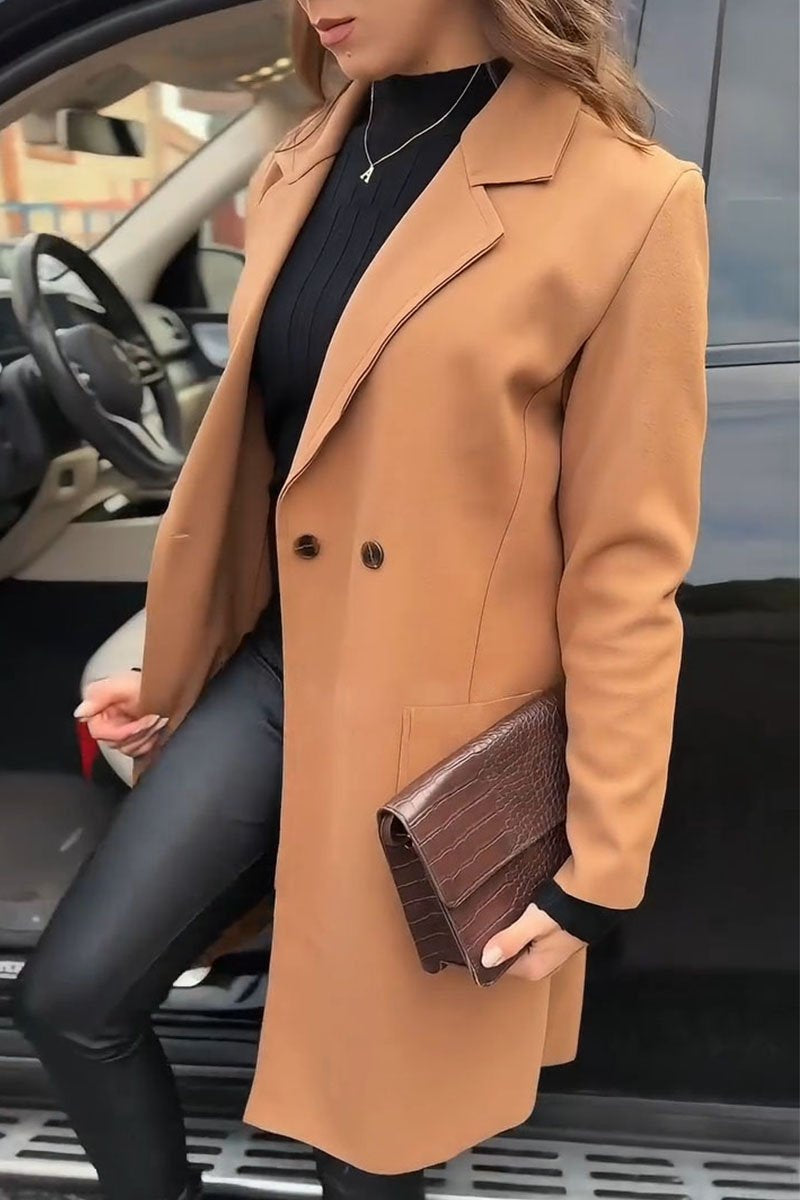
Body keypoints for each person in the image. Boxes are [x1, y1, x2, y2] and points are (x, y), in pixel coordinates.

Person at [12, 1, 710, 1198]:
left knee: (365, 1137)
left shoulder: (623, 200)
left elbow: (622, 567)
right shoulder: (306, 156)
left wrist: (599, 860)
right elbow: (280, 472)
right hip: (278, 675)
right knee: (72, 999)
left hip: (426, 731)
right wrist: (179, 668)